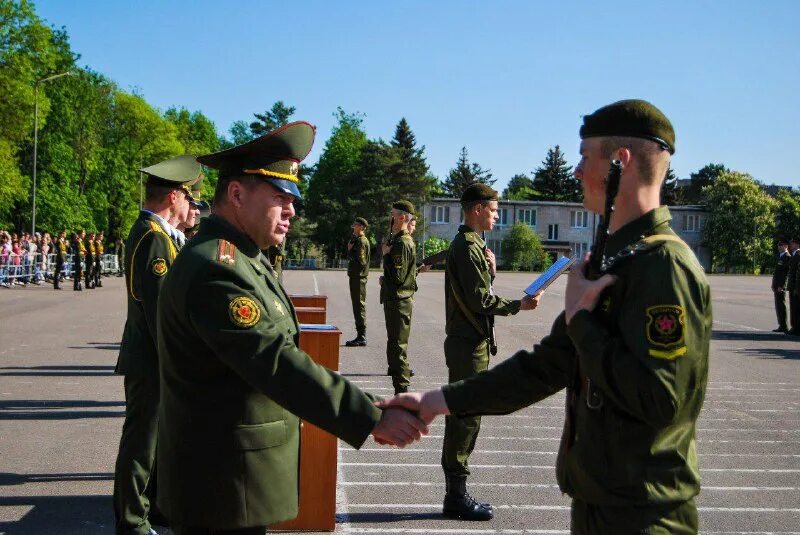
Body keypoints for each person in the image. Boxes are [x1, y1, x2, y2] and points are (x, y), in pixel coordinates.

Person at [381, 99, 712, 534]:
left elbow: (661, 400)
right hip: (601, 504)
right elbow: (545, 367)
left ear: (620, 162)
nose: (576, 171)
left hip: (646, 516)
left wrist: (582, 324)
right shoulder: (617, 260)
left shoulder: (663, 266)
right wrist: (435, 403)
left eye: (584, 156)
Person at [155, 121, 427, 535]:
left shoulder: (243, 257)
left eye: (293, 199)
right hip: (221, 485)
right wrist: (370, 415)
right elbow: (274, 362)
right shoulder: (217, 267)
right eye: (280, 196)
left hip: (232, 482)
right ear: (236, 194)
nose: (292, 210)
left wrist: (375, 404)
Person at [440, 183, 542, 520]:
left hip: (471, 342)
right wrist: (519, 305)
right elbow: (479, 300)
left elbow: (478, 290)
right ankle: (456, 495)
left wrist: (492, 271)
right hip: (467, 344)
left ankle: (456, 492)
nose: (497, 215)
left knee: (468, 414)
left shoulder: (474, 246)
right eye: (494, 209)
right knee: (465, 417)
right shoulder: (467, 247)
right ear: (477, 209)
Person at [112, 154, 201, 535]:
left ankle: (156, 507)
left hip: (156, 357)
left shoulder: (159, 236)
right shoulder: (154, 238)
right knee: (142, 444)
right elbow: (161, 311)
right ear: (174, 196)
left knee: (159, 440)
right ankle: (131, 520)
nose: (191, 205)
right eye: (188, 196)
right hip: (153, 358)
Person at [380, 200, 418, 394]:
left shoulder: (402, 243)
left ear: (402, 217)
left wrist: (386, 255)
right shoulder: (397, 240)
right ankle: (398, 381)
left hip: (399, 301)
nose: (390, 217)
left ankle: (402, 389)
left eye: (393, 214)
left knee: (398, 346)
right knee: (394, 343)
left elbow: (398, 276)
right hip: (395, 299)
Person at [345, 217, 370, 347]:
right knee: (357, 305)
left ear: (361, 227)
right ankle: (360, 335)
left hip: (358, 277)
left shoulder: (361, 241)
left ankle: (362, 336)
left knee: (359, 306)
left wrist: (350, 251)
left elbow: (362, 261)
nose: (353, 227)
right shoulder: (357, 240)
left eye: (355, 225)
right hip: (356, 277)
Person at [772, 238, 790, 333]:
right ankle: (781, 325)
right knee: (778, 306)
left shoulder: (787, 257)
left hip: (780, 287)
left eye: (781, 245)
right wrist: (773, 284)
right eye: (778, 245)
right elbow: (777, 273)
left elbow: (786, 274)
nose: (779, 246)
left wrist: (782, 286)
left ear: (786, 246)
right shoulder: (780, 256)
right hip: (776, 286)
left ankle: (784, 326)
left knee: (781, 305)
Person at [787, 238, 800, 335]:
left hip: (795, 287)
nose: (791, 246)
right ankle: (794, 326)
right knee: (793, 307)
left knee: (796, 308)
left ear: (797, 244)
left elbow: (796, 274)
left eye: (793, 244)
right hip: (793, 286)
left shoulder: (798, 255)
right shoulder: (795, 255)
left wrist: (796, 287)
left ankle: (796, 327)